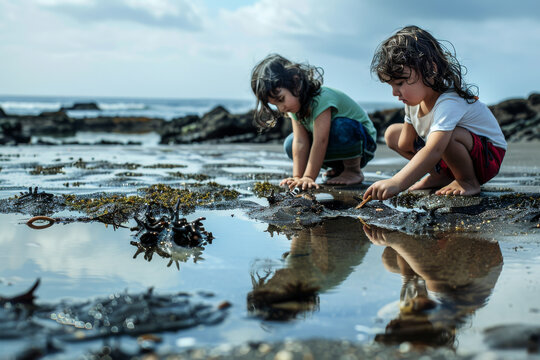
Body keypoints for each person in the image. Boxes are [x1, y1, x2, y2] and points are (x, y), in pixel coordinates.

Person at [364, 26, 507, 200]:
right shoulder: (413, 102)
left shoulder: (449, 101)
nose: (395, 92)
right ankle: (442, 175)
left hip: (488, 156)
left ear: (430, 69)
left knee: (447, 136)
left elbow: (434, 149)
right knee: (392, 134)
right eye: (391, 85)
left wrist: (397, 182)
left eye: (400, 82)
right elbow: (405, 144)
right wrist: (413, 154)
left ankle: (467, 181)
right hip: (452, 151)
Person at [251, 54, 377, 190]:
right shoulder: (294, 108)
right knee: (290, 143)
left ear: (296, 83)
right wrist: (298, 177)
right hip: (338, 147)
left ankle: (353, 171)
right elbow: (300, 142)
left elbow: (321, 141)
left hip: (363, 144)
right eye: (275, 104)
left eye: (281, 99)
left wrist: (309, 177)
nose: (281, 108)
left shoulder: (321, 99)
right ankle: (338, 169)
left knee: (340, 127)